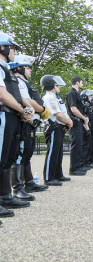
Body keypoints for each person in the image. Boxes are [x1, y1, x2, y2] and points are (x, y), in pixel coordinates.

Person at [0, 32, 33, 216]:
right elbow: (2, 95)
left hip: (12, 116)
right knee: (1, 157)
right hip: (4, 114)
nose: (14, 52)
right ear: (2, 47)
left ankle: (5, 196)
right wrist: (23, 110)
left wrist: (22, 112)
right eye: (12, 48)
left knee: (8, 157)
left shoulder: (5, 69)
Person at [9, 55, 50, 200]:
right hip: (25, 121)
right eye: (28, 67)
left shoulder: (23, 81)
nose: (30, 71)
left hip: (30, 123)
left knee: (26, 153)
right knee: (20, 154)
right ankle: (18, 188)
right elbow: (26, 101)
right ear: (19, 67)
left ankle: (29, 182)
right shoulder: (19, 80)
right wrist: (40, 109)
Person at [41, 75, 73, 186]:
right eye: (56, 85)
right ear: (51, 85)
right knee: (52, 152)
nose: (58, 87)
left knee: (59, 152)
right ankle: (48, 177)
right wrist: (68, 122)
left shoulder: (56, 97)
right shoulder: (49, 98)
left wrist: (68, 121)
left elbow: (63, 112)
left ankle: (58, 174)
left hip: (60, 128)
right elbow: (58, 115)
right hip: (54, 127)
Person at [66, 76, 88, 176]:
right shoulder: (71, 93)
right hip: (75, 122)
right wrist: (83, 118)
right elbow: (73, 109)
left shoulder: (76, 93)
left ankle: (77, 167)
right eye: (81, 82)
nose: (82, 84)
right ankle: (73, 169)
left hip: (78, 122)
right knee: (76, 145)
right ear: (77, 83)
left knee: (79, 145)